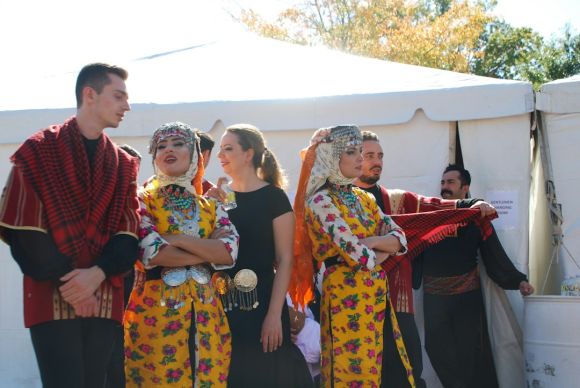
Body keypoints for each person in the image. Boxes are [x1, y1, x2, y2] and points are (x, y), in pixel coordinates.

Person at [0, 63, 140, 388]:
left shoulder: (122, 164)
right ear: (89, 95)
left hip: (103, 295)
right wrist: (76, 289)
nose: (127, 106)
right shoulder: (37, 151)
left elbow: (128, 233)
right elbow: (25, 233)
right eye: (118, 96)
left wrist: (97, 274)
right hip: (51, 294)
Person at [353, 131, 496, 388]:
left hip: (396, 299)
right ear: (353, 158)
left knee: (408, 370)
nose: (377, 161)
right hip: (355, 301)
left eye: (380, 156)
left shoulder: (397, 200)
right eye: (370, 155)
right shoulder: (340, 202)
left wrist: (473, 204)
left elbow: (433, 206)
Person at [291, 125, 415, 388]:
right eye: (351, 152)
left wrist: (371, 242)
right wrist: (382, 246)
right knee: (352, 374)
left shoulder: (364, 198)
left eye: (361, 151)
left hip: (377, 295)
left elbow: (402, 240)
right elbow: (361, 259)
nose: (360, 158)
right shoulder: (321, 202)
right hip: (345, 298)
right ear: (330, 157)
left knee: (388, 370)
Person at [123, 122, 239, 387]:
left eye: (178, 144)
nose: (168, 150)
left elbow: (230, 252)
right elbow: (152, 254)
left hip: (207, 318)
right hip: (156, 315)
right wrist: (208, 251)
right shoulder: (142, 200)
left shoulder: (209, 204)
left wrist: (177, 239)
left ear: (195, 154)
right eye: (161, 146)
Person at [210, 123, 313, 387]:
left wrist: (273, 315)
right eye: (220, 149)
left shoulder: (274, 198)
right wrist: (207, 205)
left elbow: (286, 259)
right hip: (220, 305)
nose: (221, 155)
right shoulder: (217, 197)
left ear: (249, 153)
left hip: (262, 307)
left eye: (228, 149)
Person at [416, 164, 534, 388]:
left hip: (466, 300)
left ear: (465, 187)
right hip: (435, 301)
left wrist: (518, 280)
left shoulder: (476, 219)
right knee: (437, 350)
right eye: (443, 182)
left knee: (470, 353)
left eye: (450, 182)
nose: (444, 187)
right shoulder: (430, 216)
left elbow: (494, 253)